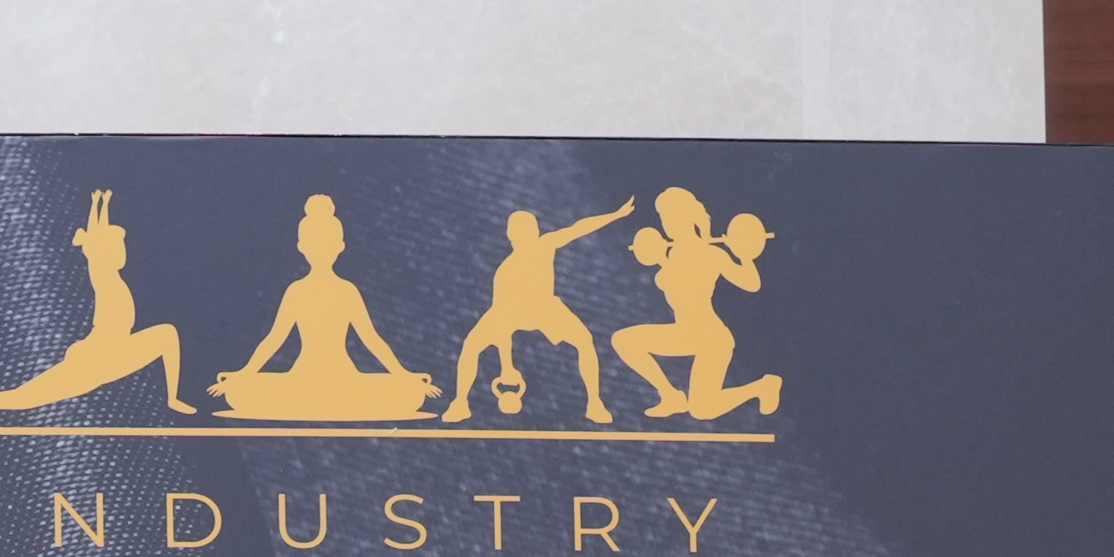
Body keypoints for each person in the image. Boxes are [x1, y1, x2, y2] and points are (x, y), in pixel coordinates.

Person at [0, 189, 201, 418]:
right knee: (22, 399)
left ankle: (173, 398)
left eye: (121, 248)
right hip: (96, 357)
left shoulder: (114, 277)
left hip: (117, 352)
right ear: (103, 252)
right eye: (116, 248)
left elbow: (97, 238)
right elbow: (96, 240)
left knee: (167, 334)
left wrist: (103, 205)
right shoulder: (103, 274)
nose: (121, 252)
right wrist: (97, 208)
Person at [211, 194, 433, 422]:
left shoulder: (347, 291)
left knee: (404, 390)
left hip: (343, 379)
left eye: (325, 244)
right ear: (302, 247)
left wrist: (403, 375)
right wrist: (244, 374)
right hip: (304, 379)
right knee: (243, 390)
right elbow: (275, 339)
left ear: (340, 246)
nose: (320, 250)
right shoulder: (297, 291)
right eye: (315, 244)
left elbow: (371, 339)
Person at [443, 199, 634, 422]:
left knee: (584, 340)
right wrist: (507, 367)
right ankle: (460, 403)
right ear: (510, 235)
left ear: (535, 231)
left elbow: (578, 229)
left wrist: (615, 215)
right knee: (471, 346)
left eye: (529, 229)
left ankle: (595, 404)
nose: (525, 234)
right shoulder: (505, 272)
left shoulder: (545, 245)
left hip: (545, 308)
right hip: (514, 311)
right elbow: (501, 322)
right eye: (519, 230)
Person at [610, 191, 782, 421]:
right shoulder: (674, 254)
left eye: (673, 218)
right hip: (686, 332)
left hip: (711, 338)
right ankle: (671, 395)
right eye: (665, 219)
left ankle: (762, 387)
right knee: (624, 341)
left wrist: (744, 254)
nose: (668, 225)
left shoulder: (709, 252)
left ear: (689, 218)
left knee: (702, 410)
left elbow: (751, 284)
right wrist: (660, 257)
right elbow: (669, 281)